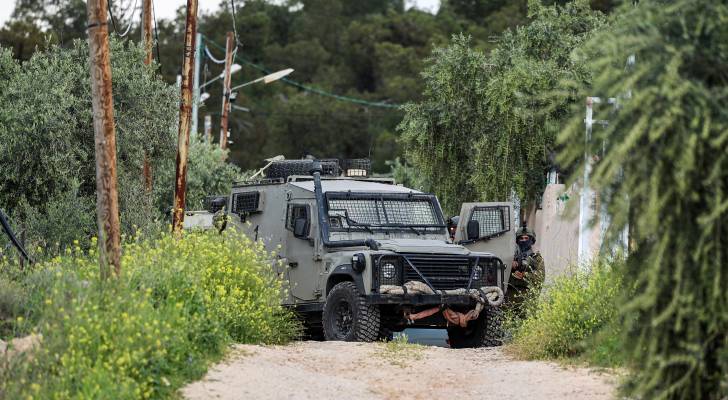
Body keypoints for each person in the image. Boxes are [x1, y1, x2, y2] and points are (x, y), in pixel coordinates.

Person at [506, 226, 545, 317]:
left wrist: (524, 275)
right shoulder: (509, 257)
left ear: (532, 240)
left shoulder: (537, 258)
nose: (524, 240)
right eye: (521, 238)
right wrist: (509, 265)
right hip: (508, 302)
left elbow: (539, 279)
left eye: (526, 238)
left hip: (527, 302)